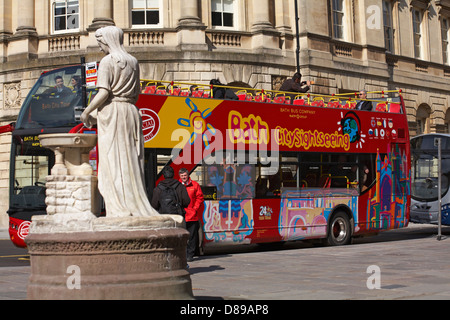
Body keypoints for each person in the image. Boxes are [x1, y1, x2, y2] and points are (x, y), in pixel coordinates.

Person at [80, 26, 159, 217]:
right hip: (131, 111)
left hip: (113, 112)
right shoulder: (133, 61)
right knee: (131, 160)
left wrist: (87, 111)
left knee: (113, 162)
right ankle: (134, 203)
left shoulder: (107, 61)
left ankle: (119, 207)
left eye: (100, 43)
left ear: (107, 40)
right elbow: (137, 93)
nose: (100, 47)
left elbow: (104, 92)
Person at [179, 168, 204, 261]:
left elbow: (200, 197)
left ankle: (190, 255)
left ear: (188, 175)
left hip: (192, 215)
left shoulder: (195, 185)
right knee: (182, 237)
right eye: (182, 176)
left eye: (185, 175)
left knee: (192, 237)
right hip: (181, 215)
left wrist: (195, 209)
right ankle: (183, 254)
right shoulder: (178, 186)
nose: (184, 177)